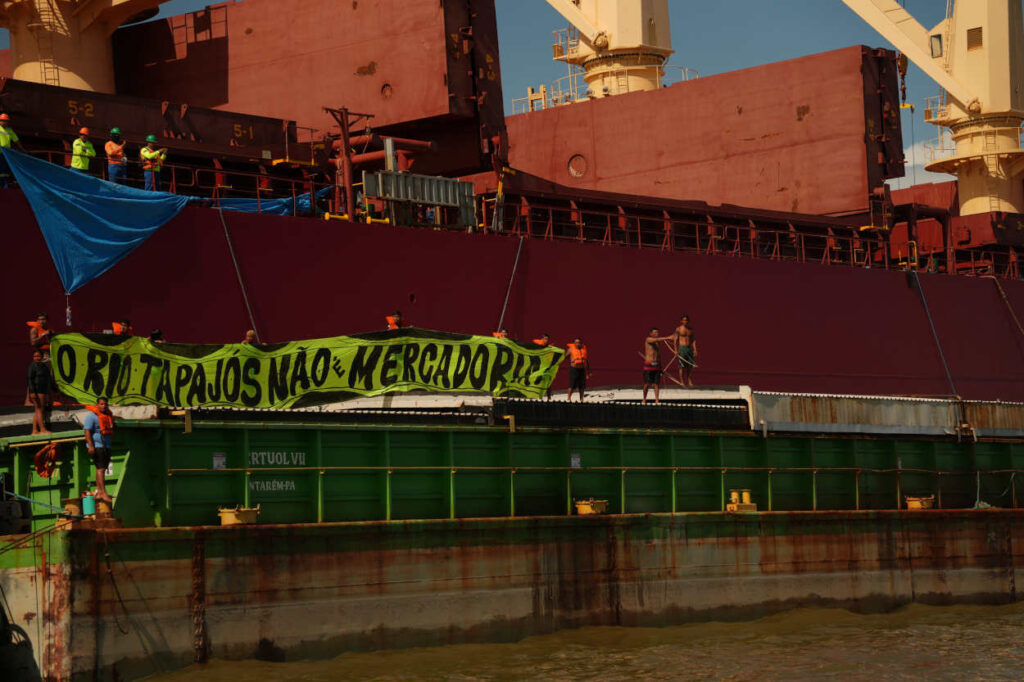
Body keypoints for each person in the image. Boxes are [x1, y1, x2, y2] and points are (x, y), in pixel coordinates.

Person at [83, 397, 115, 503]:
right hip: (97, 446)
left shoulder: (108, 415)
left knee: (100, 469)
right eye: (101, 404)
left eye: (105, 404)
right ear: (97, 405)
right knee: (101, 469)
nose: (104, 406)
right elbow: (87, 431)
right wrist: (91, 446)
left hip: (106, 446)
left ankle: (100, 493)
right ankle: (103, 493)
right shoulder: (92, 416)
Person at [642, 327, 675, 405]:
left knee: (656, 384)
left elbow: (658, 355)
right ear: (651, 334)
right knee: (647, 384)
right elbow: (656, 339)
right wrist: (668, 337)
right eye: (655, 333)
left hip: (656, 366)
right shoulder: (648, 339)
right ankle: (644, 399)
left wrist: (661, 367)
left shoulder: (658, 342)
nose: (657, 334)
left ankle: (657, 400)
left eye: (657, 332)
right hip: (648, 366)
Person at [27, 351, 53, 434]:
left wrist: (48, 393)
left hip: (43, 390)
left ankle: (34, 430)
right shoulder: (32, 366)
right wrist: (32, 392)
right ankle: (42, 429)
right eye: (35, 356)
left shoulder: (44, 367)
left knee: (38, 410)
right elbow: (30, 380)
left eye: (39, 356)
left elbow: (48, 380)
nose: (37, 358)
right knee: (40, 410)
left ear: (42, 357)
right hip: (37, 391)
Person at [0, 112, 27, 188]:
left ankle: (5, 185)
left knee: (5, 170)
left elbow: (16, 140)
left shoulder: (9, 130)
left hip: (6, 153)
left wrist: (22, 149)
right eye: (3, 121)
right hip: (1, 153)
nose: (4, 122)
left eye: (6, 121)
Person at [674, 314, 699, 387]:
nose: (685, 321)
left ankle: (689, 379)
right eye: (684, 320)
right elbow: (675, 340)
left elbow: (693, 340)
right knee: (681, 366)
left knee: (690, 366)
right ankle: (681, 381)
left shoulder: (690, 330)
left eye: (686, 320)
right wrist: (675, 350)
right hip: (682, 348)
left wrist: (695, 349)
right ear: (681, 321)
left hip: (689, 348)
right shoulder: (678, 329)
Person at [565, 337, 590, 403]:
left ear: (581, 343)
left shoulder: (584, 349)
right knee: (572, 385)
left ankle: (581, 399)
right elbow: (565, 357)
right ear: (574, 343)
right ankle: (568, 398)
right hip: (574, 369)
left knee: (582, 386)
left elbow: (586, 361)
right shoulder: (570, 349)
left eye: (579, 343)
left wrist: (588, 371)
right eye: (576, 343)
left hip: (582, 369)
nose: (577, 344)